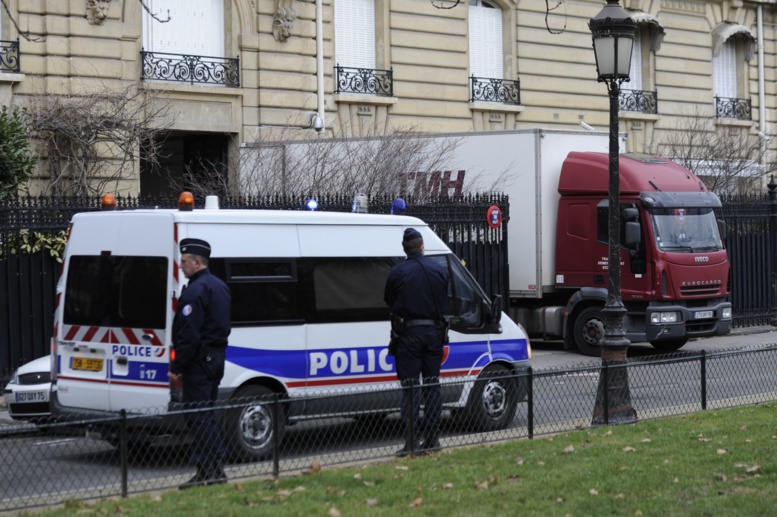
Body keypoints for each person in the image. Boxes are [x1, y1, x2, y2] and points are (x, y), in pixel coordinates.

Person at [169, 238, 231, 489]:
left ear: (197, 262)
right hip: (215, 358)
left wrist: (177, 367)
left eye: (184, 262)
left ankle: (209, 469)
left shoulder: (195, 291)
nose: (180, 266)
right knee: (205, 414)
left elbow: (189, 335)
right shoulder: (219, 287)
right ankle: (213, 470)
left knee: (198, 416)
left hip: (199, 362)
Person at [384, 228, 449, 456]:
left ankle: (411, 443)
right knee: (432, 387)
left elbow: (389, 301)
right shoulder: (438, 271)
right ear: (423, 247)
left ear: (405, 249)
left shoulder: (397, 273)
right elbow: (445, 300)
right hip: (433, 335)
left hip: (408, 336)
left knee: (410, 390)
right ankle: (432, 440)